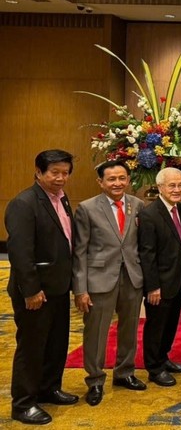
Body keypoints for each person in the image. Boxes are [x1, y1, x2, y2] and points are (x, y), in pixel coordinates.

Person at [6, 149, 79, 425]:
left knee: (56, 343)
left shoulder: (61, 198)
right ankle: (23, 403)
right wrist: (31, 290)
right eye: (54, 173)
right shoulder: (24, 203)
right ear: (38, 172)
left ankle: (49, 388)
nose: (61, 178)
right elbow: (21, 253)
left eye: (65, 172)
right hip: (36, 291)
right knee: (32, 347)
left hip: (58, 286)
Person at [72, 160, 146, 406]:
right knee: (96, 332)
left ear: (128, 179)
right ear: (100, 182)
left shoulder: (137, 205)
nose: (118, 183)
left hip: (132, 277)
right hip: (99, 280)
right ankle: (94, 380)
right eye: (112, 179)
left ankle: (125, 372)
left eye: (122, 178)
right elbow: (79, 252)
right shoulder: (87, 208)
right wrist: (80, 289)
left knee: (129, 329)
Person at [138, 167, 181, 387]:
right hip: (159, 283)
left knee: (170, 324)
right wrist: (152, 287)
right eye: (172, 185)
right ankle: (154, 367)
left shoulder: (180, 209)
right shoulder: (150, 214)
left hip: (177, 279)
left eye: (180, 185)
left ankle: (164, 357)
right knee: (156, 326)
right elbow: (146, 254)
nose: (177, 189)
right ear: (160, 187)